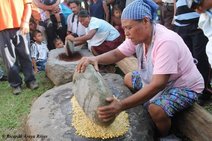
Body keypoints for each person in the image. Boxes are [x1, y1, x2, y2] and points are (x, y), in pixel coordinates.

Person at [76, 0, 204, 137]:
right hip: (160, 79)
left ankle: (164, 134)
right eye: (124, 28)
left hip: (182, 85)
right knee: (128, 78)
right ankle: (144, 105)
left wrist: (121, 105)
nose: (126, 33)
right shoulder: (139, 37)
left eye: (129, 28)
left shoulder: (166, 42)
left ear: (145, 21)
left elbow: (158, 85)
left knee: (155, 109)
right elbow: (116, 53)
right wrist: (95, 59)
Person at [173, 0, 211, 105]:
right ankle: (189, 88)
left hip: (197, 24)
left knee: (200, 58)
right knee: (186, 59)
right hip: (180, 24)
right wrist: (175, 19)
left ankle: (204, 91)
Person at [0, 0, 39, 95]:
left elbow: (28, 5)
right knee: (9, 59)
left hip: (21, 25)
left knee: (25, 54)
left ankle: (30, 80)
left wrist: (26, 22)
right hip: (2, 28)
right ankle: (15, 84)